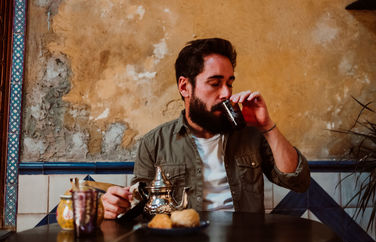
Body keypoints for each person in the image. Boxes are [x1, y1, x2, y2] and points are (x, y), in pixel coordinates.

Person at [102, 38, 310, 219]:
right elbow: (138, 205)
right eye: (215, 83)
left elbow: (298, 182)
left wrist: (266, 126)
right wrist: (115, 205)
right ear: (185, 87)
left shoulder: (250, 135)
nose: (226, 93)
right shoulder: (154, 143)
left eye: (229, 83)